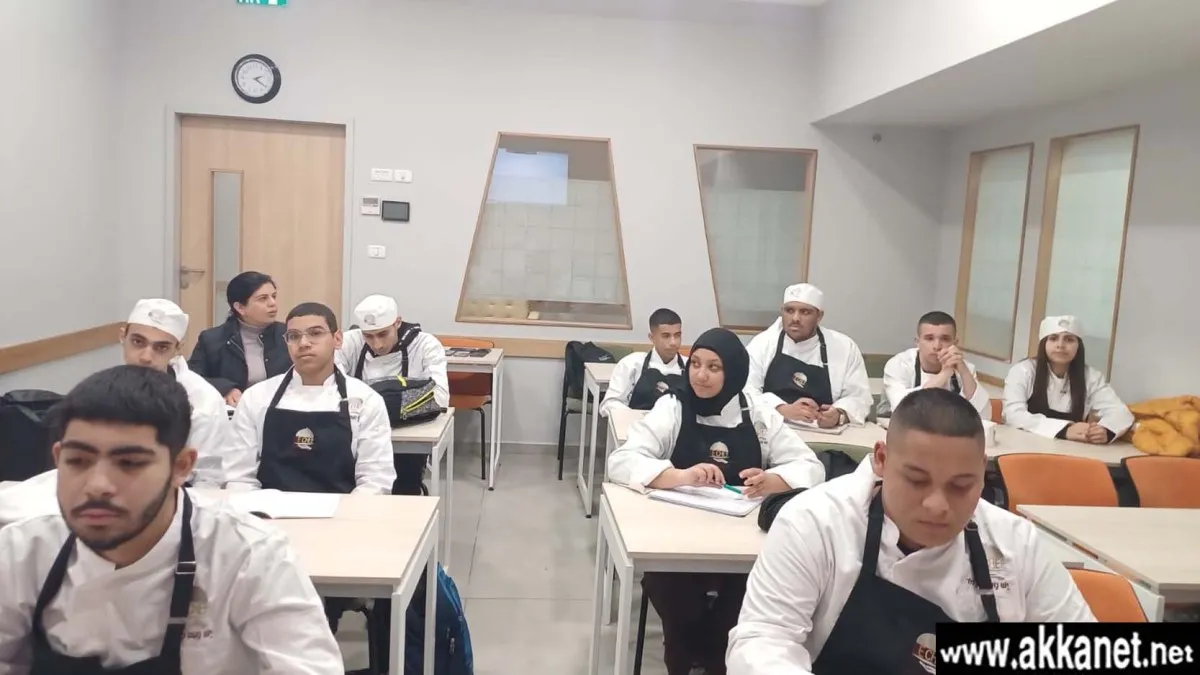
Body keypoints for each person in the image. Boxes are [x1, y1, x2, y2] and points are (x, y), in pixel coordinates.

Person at [0, 365, 343, 673]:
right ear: (58, 458)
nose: (97, 485)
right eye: (78, 461)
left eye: (129, 463)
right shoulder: (21, 552)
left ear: (181, 467)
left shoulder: (247, 556)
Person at [726, 388, 1095, 675]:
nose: (938, 505)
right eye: (917, 481)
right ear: (881, 459)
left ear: (982, 472)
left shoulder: (1015, 544)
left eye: (961, 485)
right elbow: (762, 643)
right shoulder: (816, 523)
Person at [608, 327, 826, 675]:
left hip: (742, 540)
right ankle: (689, 655)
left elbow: (811, 467)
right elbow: (621, 461)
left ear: (734, 371)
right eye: (695, 363)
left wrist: (773, 480)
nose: (700, 375)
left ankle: (715, 654)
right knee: (676, 596)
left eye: (714, 367)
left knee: (747, 597)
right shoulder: (674, 406)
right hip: (677, 540)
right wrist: (681, 476)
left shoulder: (757, 412)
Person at [0, 300, 229, 527]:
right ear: (122, 337)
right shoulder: (106, 388)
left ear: (177, 349)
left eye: (161, 348)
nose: (146, 356)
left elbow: (206, 482)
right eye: (138, 342)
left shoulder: (202, 401)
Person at [223, 302, 396, 495]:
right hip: (267, 510)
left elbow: (375, 481)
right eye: (294, 336)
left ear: (337, 339)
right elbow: (239, 477)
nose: (304, 343)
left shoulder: (366, 400)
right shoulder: (256, 397)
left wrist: (346, 513)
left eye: (315, 333)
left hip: (342, 510)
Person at [745, 283, 872, 428]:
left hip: (824, 433)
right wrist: (781, 409)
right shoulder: (762, 343)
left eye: (805, 312)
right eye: (789, 311)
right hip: (771, 428)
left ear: (819, 316)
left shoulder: (844, 348)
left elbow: (859, 397)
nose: (795, 318)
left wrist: (839, 414)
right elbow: (746, 390)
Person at [1003, 315, 1133, 443]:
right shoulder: (1023, 371)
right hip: (1024, 444)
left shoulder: (1091, 377)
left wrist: (1105, 430)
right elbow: (1013, 414)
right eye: (1053, 338)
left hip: (1072, 449)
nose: (1060, 345)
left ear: (1079, 346)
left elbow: (1121, 412)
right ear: (1043, 344)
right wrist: (1065, 430)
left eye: (1069, 340)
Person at [188, 271, 290, 407]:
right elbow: (191, 378)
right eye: (263, 299)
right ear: (240, 307)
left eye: (274, 296)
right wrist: (225, 388)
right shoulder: (212, 339)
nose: (272, 303)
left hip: (280, 409)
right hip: (233, 411)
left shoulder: (288, 335)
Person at [337, 294, 449, 407]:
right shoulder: (348, 342)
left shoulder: (425, 345)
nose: (377, 345)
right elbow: (332, 390)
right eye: (368, 336)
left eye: (383, 334)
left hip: (410, 418)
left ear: (397, 322)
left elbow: (439, 398)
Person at [878, 311, 990, 419]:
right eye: (929, 338)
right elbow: (902, 409)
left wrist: (964, 371)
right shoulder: (899, 365)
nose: (937, 346)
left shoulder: (965, 368)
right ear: (917, 342)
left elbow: (983, 415)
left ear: (955, 343)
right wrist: (944, 374)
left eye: (945, 339)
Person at [600, 308, 687, 417]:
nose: (673, 342)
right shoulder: (632, 364)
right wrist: (638, 418)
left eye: (677, 335)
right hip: (636, 424)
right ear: (652, 338)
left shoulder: (690, 366)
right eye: (666, 336)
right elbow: (609, 403)